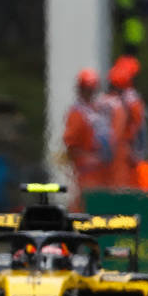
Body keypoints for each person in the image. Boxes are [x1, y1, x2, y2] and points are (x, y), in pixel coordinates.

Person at [62, 69, 112, 209]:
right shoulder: (77, 114)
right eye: (86, 89)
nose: (89, 92)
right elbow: (70, 145)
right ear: (80, 89)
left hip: (102, 171)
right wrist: (85, 159)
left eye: (91, 89)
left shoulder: (97, 110)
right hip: (86, 172)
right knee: (84, 206)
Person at [107, 55, 146, 187]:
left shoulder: (104, 100)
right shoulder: (132, 101)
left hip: (110, 155)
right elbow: (139, 129)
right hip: (123, 153)